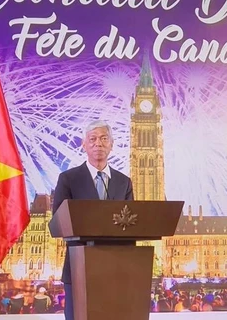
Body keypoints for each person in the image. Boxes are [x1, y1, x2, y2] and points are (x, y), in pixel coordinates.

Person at [52, 120, 134, 320]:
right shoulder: (68, 179)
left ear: (111, 145)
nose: (98, 143)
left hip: (115, 270)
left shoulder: (124, 182)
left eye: (104, 139)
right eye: (93, 139)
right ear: (84, 144)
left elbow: (132, 224)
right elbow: (57, 224)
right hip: (78, 268)